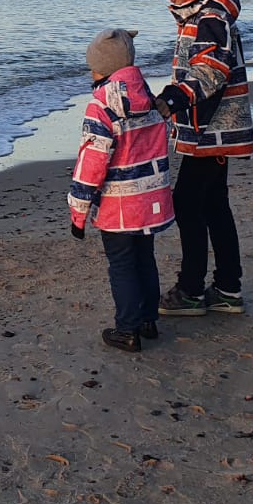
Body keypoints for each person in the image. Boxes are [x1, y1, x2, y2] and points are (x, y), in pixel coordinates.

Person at [150, 0, 253, 318]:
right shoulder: (200, 14)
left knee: (188, 203)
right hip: (208, 129)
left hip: (213, 130)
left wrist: (172, 99)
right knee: (213, 204)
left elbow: (212, 70)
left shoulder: (210, 16)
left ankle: (191, 290)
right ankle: (227, 287)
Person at [67, 28, 175, 353]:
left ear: (103, 70)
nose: (91, 73)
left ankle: (127, 329)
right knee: (145, 258)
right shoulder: (149, 99)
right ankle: (147, 320)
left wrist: (78, 213)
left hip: (119, 207)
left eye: (93, 68)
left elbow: (92, 164)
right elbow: (162, 139)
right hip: (150, 198)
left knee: (122, 264)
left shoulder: (101, 107)